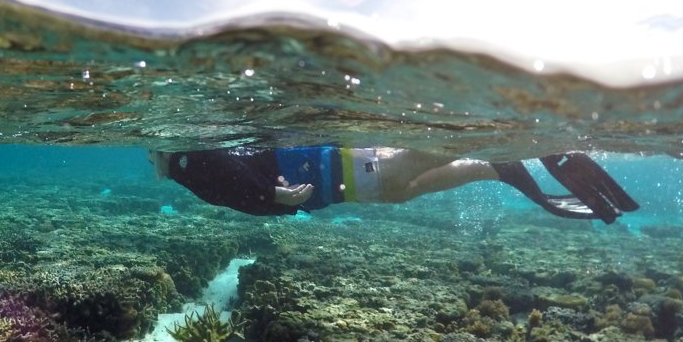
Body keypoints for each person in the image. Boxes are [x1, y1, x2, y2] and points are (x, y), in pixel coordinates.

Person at [150, 147, 639, 224]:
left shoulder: (190, 158)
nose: (149, 158)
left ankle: (529, 146)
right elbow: (234, 191)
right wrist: (270, 198)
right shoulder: (186, 165)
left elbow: (232, 181)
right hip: (340, 183)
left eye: (153, 153)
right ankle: (503, 166)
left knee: (409, 168)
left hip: (339, 172)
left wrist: (269, 195)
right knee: (406, 187)